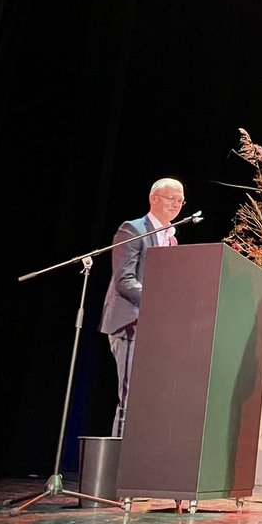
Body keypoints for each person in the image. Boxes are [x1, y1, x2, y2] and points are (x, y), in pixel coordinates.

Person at [98, 177, 186, 437]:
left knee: (149, 398)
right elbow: (124, 281)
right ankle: (120, 464)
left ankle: (140, 461)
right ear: (154, 198)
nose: (177, 205)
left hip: (155, 328)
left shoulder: (171, 240)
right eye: (172, 198)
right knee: (131, 397)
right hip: (129, 324)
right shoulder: (133, 229)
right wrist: (157, 303)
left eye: (181, 200)